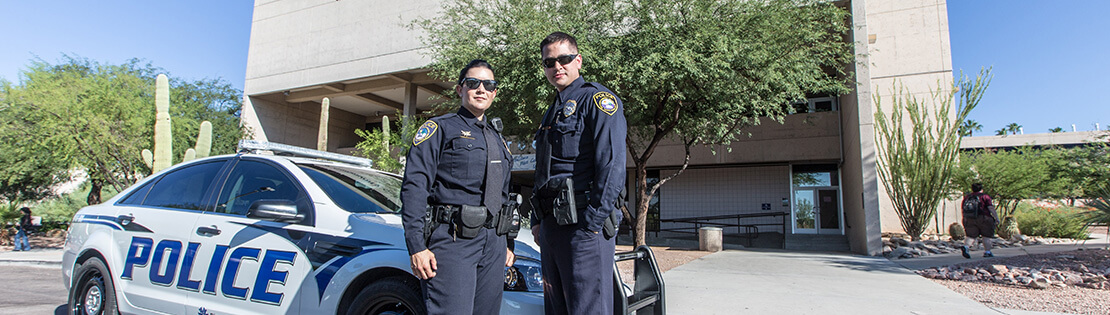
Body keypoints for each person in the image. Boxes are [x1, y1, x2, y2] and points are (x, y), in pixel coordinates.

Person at [401, 59, 516, 314]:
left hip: (494, 244)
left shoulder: (497, 138)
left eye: (489, 84)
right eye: (473, 83)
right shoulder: (440, 128)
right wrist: (417, 246)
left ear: (494, 92)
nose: (481, 89)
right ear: (460, 89)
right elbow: (415, 187)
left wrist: (508, 243)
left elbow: (504, 194)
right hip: (454, 240)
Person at [531, 31, 628, 315]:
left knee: (588, 309)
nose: (557, 67)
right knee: (556, 309)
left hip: (584, 227)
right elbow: (543, 169)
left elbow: (612, 167)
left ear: (578, 61)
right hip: (553, 226)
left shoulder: (598, 101)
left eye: (564, 59)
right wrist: (538, 220)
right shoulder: (553, 111)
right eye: (550, 62)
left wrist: (592, 224)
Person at [960, 183, 997, 258]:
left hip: (970, 218)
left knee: (971, 235)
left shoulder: (967, 197)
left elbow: (963, 208)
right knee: (986, 235)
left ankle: (966, 247)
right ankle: (987, 252)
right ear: (981, 189)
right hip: (984, 218)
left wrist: (964, 218)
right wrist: (996, 217)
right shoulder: (985, 196)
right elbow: (990, 207)